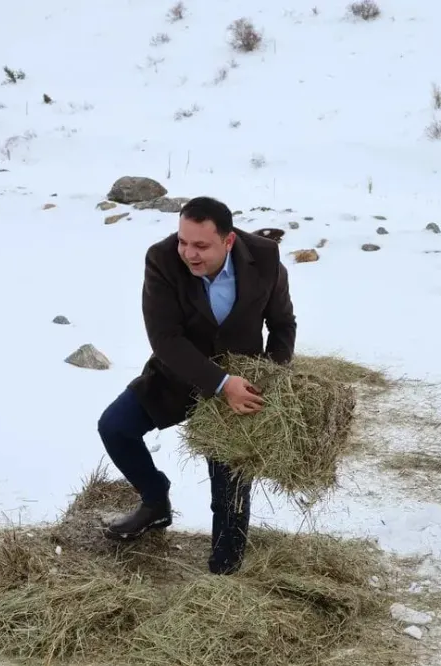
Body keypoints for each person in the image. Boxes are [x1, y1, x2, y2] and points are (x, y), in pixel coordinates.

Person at [95, 195, 297, 575]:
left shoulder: (264, 257)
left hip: (242, 387)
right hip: (178, 374)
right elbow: (165, 339)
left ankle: (225, 569)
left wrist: (269, 380)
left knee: (229, 488)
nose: (189, 253)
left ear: (228, 241)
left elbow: (283, 325)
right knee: (115, 427)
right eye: (183, 241)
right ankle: (155, 501)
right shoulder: (161, 259)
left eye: (201, 245)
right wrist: (220, 383)